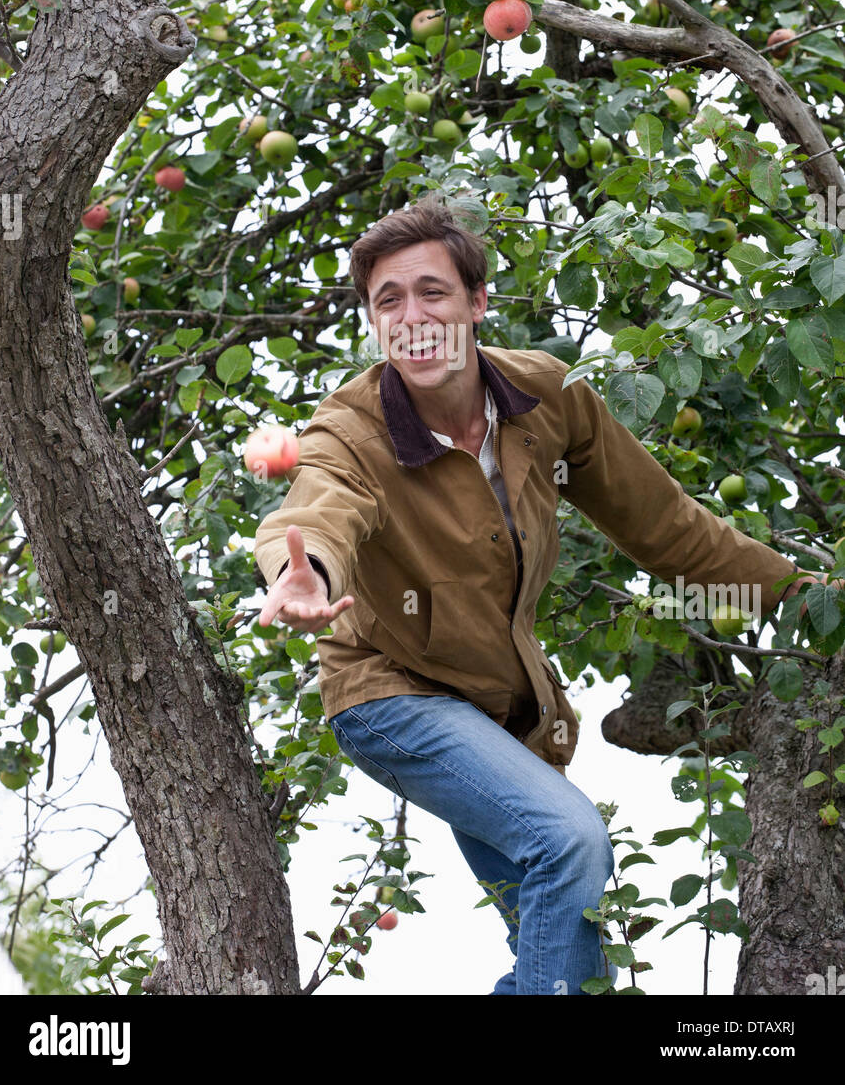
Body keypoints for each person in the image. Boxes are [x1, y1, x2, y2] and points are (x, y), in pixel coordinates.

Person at [253, 192, 824, 995]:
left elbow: (668, 529)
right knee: (570, 842)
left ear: (478, 302)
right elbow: (317, 510)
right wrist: (300, 572)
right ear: (373, 324)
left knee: (573, 955)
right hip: (390, 696)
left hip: (499, 713)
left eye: (433, 291)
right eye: (389, 300)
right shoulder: (350, 430)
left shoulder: (549, 396)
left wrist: (806, 599)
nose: (411, 315)